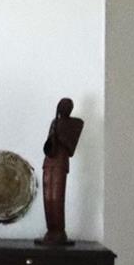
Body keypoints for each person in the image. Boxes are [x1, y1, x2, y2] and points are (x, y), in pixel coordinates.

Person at [40, 97, 84, 246]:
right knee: (47, 198)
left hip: (61, 162)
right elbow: (48, 144)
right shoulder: (55, 122)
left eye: (66, 105)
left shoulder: (76, 123)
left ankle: (58, 230)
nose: (62, 108)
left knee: (57, 198)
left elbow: (71, 148)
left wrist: (60, 135)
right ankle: (50, 229)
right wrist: (53, 134)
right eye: (61, 105)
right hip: (49, 161)